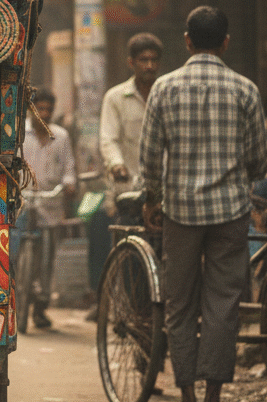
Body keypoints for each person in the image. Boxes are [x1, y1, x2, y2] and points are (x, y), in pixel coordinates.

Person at [140, 6, 267, 402]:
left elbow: (149, 157)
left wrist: (154, 199)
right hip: (230, 214)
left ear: (187, 41)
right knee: (223, 303)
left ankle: (188, 392)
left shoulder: (164, 88)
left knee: (180, 304)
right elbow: (258, 161)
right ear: (226, 42)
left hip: (179, 212)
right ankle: (213, 392)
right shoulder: (246, 89)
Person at [86, 32, 163, 320]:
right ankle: (135, 314)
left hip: (163, 192)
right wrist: (116, 165)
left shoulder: (165, 92)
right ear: (132, 62)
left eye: (154, 60)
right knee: (132, 260)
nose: (149, 66)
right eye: (143, 60)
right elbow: (109, 139)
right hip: (129, 193)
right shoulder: (116, 97)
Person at [16, 88, 77, 330]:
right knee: (14, 253)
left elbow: (69, 169)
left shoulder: (61, 137)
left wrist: (70, 185)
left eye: (48, 110)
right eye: (40, 109)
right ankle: (17, 297)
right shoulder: (20, 134)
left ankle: (40, 307)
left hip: (49, 205)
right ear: (31, 110)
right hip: (21, 203)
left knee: (48, 258)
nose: (44, 113)